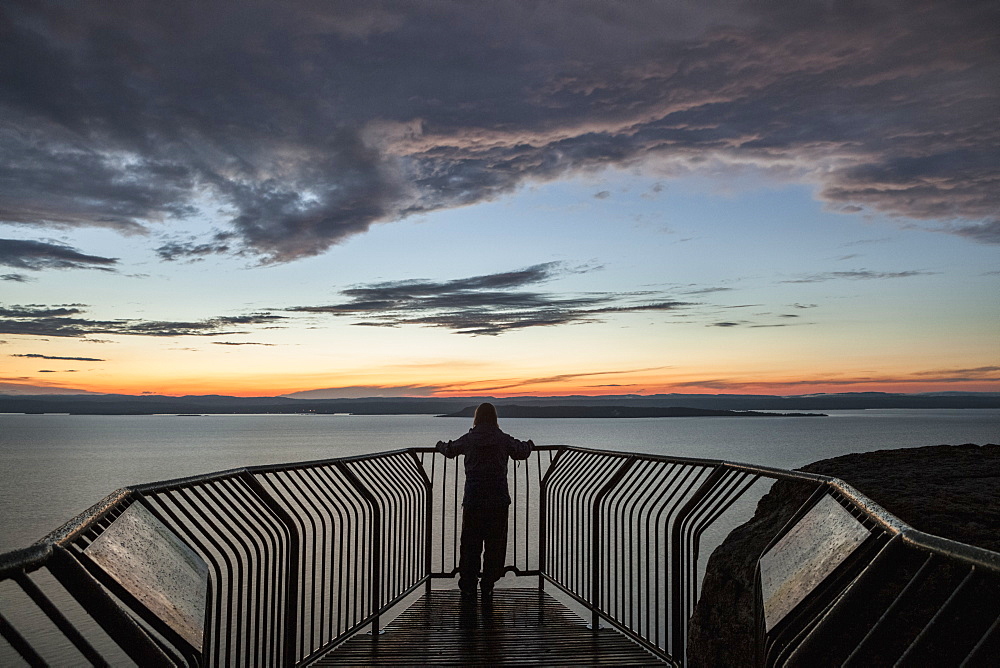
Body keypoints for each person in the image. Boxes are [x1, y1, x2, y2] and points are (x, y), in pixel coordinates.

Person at [436, 402, 533, 602]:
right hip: (498, 500)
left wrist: (440, 446)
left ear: (477, 418)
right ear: (495, 418)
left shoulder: (469, 439)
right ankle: (488, 584)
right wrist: (530, 445)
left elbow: (451, 450)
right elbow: (521, 452)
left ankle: (468, 586)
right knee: (495, 544)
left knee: (470, 545)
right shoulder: (502, 439)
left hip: (473, 500)